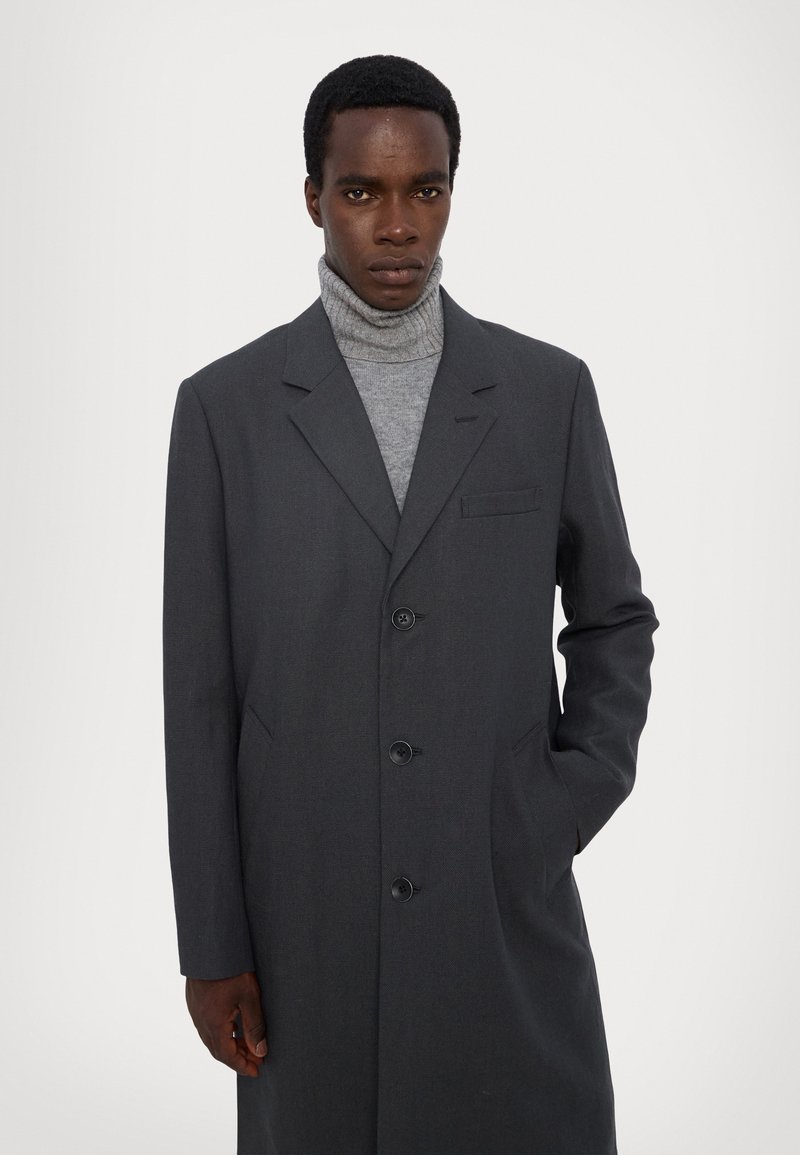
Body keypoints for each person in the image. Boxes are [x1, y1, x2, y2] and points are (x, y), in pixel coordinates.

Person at [163, 53, 659, 1154]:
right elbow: (198, 697)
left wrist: (561, 801)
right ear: (313, 198)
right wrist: (211, 941)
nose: (396, 226)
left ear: (450, 193)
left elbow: (613, 619)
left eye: (423, 190)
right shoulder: (223, 412)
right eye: (361, 191)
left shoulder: (545, 392)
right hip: (305, 914)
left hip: (499, 900)